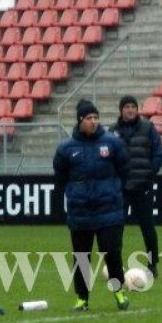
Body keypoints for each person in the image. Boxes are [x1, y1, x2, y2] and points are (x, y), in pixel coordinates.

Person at [53, 99, 131, 311]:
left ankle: (119, 291)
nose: (94, 122)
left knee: (112, 253)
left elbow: (125, 171)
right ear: (80, 121)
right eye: (89, 118)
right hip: (80, 213)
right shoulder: (66, 149)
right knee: (81, 258)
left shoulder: (112, 143)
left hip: (109, 211)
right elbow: (60, 179)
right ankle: (82, 298)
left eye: (96, 118)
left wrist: (116, 195)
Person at [112, 94, 162, 275]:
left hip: (143, 186)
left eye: (133, 106)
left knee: (147, 226)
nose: (130, 110)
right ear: (121, 110)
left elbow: (159, 154)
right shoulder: (112, 131)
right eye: (127, 106)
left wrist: (149, 172)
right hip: (121, 188)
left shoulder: (148, 127)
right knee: (116, 228)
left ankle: (153, 265)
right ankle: (115, 265)